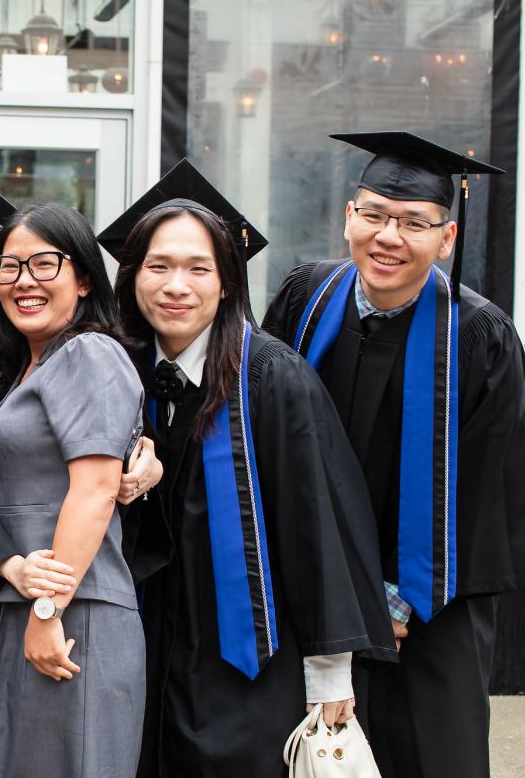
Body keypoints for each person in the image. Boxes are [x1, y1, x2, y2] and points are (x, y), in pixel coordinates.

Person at [98, 159, 395, 776]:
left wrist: (330, 672)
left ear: (228, 283)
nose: (176, 285)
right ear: (132, 279)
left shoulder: (271, 377)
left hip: (249, 649)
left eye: (198, 268)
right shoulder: (115, 368)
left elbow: (316, 522)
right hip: (142, 636)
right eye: (159, 266)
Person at [262, 132, 525, 778]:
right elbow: (262, 426)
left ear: (446, 238)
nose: (389, 236)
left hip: (429, 611)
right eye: (376, 215)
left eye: (414, 223)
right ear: (348, 218)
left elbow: (487, 488)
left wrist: (398, 598)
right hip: (315, 601)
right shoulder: (307, 299)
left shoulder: (480, 337)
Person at [0, 202, 146, 777]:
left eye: (45, 264)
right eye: (9, 266)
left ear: (82, 280)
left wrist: (49, 610)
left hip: (77, 616)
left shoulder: (88, 352)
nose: (24, 281)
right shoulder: (26, 368)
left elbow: (96, 489)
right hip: (31, 609)